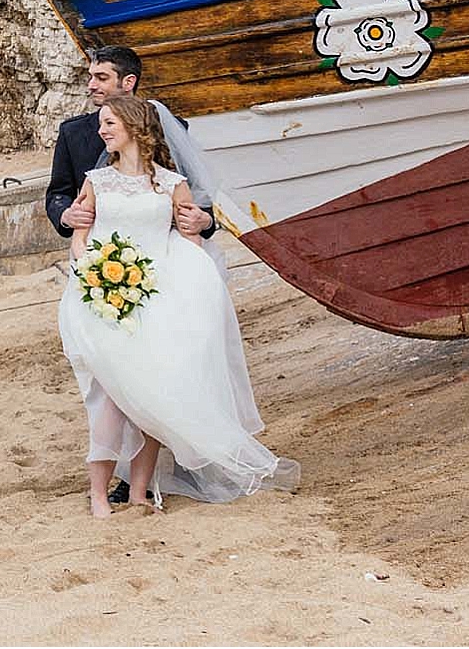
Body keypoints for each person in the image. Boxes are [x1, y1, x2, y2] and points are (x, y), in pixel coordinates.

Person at [56, 95, 298, 518]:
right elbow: (81, 232)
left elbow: (191, 245)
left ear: (132, 126)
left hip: (154, 298)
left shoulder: (171, 184)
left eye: (109, 123)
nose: (102, 130)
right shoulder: (97, 179)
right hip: (99, 299)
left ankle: (139, 491)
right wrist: (88, 267)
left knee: (154, 394)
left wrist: (188, 294)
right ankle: (98, 494)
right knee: (108, 400)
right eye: (101, 124)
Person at [46, 46, 212, 244]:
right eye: (90, 77)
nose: (91, 85)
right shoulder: (73, 132)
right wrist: (65, 215)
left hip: (165, 247)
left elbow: (195, 188)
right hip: (99, 252)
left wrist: (205, 221)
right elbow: (58, 193)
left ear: (128, 82)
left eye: (101, 77)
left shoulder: (168, 126)